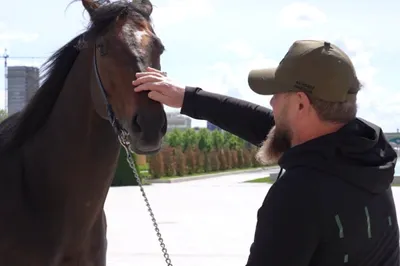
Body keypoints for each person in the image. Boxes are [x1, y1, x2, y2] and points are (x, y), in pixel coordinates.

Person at [132, 40, 399, 265]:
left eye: (276, 93)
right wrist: (187, 98)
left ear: (300, 104)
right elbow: (270, 127)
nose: (271, 102)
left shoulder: (299, 194)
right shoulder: (366, 158)